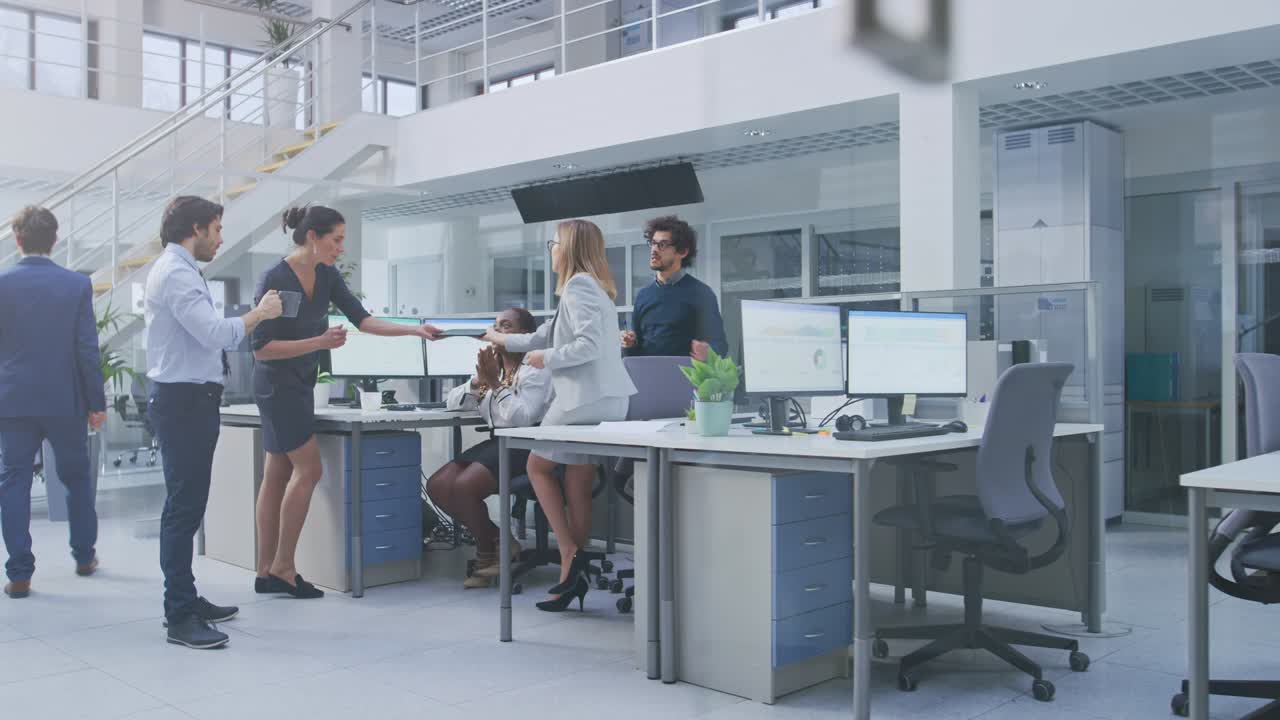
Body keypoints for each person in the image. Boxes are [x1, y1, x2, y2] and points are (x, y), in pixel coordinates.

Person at [251, 205, 440, 600]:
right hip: (276, 386)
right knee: (309, 469)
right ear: (312, 237)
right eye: (336, 239)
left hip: (300, 384)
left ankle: (266, 570)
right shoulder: (276, 278)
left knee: (277, 474)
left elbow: (364, 320)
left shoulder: (327, 276)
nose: (341, 247)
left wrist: (414, 331)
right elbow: (263, 348)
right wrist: (319, 343)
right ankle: (284, 567)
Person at [145, 196, 283, 649]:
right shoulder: (176, 273)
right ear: (197, 228)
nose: (221, 238)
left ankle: (186, 597)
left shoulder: (181, 270)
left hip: (192, 400)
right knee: (182, 510)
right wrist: (260, 313)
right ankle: (179, 616)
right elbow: (214, 333)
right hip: (183, 402)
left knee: (188, 508)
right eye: (218, 229)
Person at [485, 219, 636, 612]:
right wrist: (501, 339)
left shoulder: (577, 285)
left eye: (554, 243)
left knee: (537, 466)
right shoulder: (594, 288)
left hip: (583, 400)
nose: (550, 249)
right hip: (606, 398)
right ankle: (572, 576)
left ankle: (570, 553)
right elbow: (547, 332)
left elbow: (582, 345)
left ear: (567, 247)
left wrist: (543, 359)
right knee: (577, 480)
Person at [0, 206, 106, 600]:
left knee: (14, 481)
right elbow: (86, 349)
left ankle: (20, 573)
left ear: (18, 240)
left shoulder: (2, 283)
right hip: (65, 400)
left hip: (13, 402)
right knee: (76, 478)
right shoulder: (75, 285)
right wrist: (96, 401)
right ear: (55, 240)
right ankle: (84, 556)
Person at [429, 308, 551, 589]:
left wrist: (495, 383)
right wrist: (477, 381)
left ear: (524, 336)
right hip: (499, 442)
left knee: (463, 486)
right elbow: (454, 403)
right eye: (495, 326)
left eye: (505, 326)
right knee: (438, 485)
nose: (496, 331)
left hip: (529, 443)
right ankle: (502, 541)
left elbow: (522, 418)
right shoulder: (492, 364)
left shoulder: (535, 367)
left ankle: (486, 552)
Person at [621, 216, 727, 361]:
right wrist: (629, 345)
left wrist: (708, 354)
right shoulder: (643, 295)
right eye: (653, 243)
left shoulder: (701, 293)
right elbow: (636, 350)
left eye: (662, 245)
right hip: (647, 379)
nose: (654, 250)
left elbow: (720, 345)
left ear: (682, 251)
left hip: (685, 380)